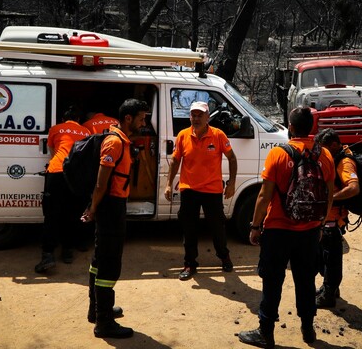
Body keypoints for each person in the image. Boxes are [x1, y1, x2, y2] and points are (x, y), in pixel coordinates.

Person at [238, 106, 335, 348]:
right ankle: (308, 329)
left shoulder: (278, 154)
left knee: (272, 280)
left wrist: (255, 226)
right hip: (310, 229)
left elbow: (263, 196)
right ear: (313, 128)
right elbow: (329, 194)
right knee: (306, 281)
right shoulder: (325, 156)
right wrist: (320, 223)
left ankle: (266, 331)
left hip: (278, 230)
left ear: (290, 127)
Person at [81, 98, 149, 339]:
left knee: (99, 259)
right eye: (141, 118)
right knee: (109, 263)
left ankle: (98, 310)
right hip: (110, 207)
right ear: (128, 118)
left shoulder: (121, 140)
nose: (144, 122)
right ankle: (104, 323)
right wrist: (92, 208)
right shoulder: (114, 142)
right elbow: (101, 183)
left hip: (111, 205)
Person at [164, 101, 237, 281]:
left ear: (207, 117)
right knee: (189, 229)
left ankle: (224, 256)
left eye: (200, 115)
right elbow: (175, 161)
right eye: (193, 115)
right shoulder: (182, 135)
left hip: (212, 190)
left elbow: (232, 158)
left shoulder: (218, 135)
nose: (196, 119)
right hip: (189, 190)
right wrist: (168, 183)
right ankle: (189, 263)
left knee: (217, 227)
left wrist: (232, 183)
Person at [35, 105, 91, 273]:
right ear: (79, 120)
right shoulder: (86, 132)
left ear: (62, 119)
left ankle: (47, 255)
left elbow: (52, 151)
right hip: (76, 175)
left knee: (51, 214)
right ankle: (67, 252)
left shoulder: (55, 129)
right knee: (72, 214)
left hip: (57, 171)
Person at [313, 128, 359, 308]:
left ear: (333, 145)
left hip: (333, 220)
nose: (321, 152)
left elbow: (354, 188)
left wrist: (330, 198)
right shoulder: (334, 157)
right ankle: (329, 288)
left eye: (324, 148)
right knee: (324, 257)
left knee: (332, 259)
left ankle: (329, 295)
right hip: (327, 218)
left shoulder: (345, 162)